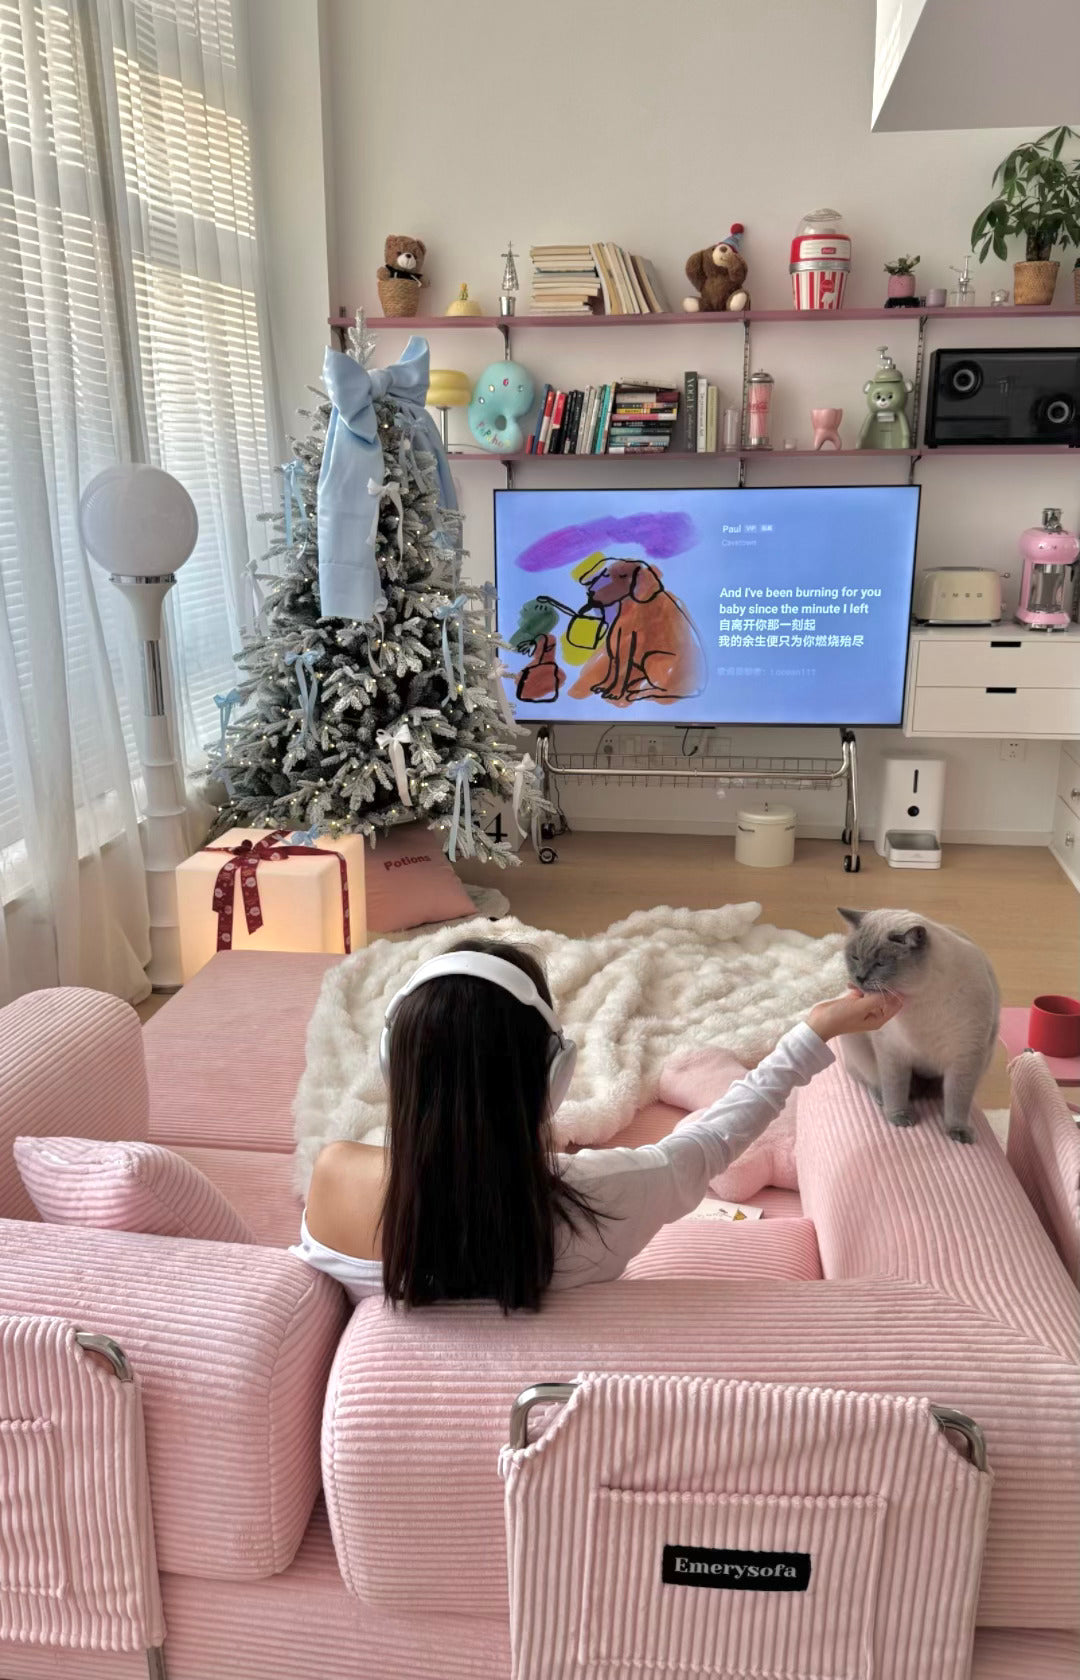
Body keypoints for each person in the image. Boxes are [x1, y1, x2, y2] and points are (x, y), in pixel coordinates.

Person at [291, 936, 902, 1311]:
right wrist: (814, 1031)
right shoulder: (607, 1195)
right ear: (557, 1073)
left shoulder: (333, 1177)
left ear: (390, 1066)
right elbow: (716, 1138)